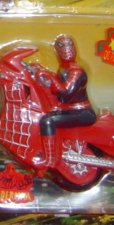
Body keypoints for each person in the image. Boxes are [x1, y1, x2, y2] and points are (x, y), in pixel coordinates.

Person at [33, 35, 96, 175]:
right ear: (57, 50)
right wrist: (41, 70)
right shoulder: (65, 68)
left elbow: (65, 93)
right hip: (72, 110)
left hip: (82, 112)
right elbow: (60, 86)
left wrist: (48, 76)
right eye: (61, 46)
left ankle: (50, 160)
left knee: (47, 121)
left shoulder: (75, 69)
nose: (66, 49)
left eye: (69, 45)